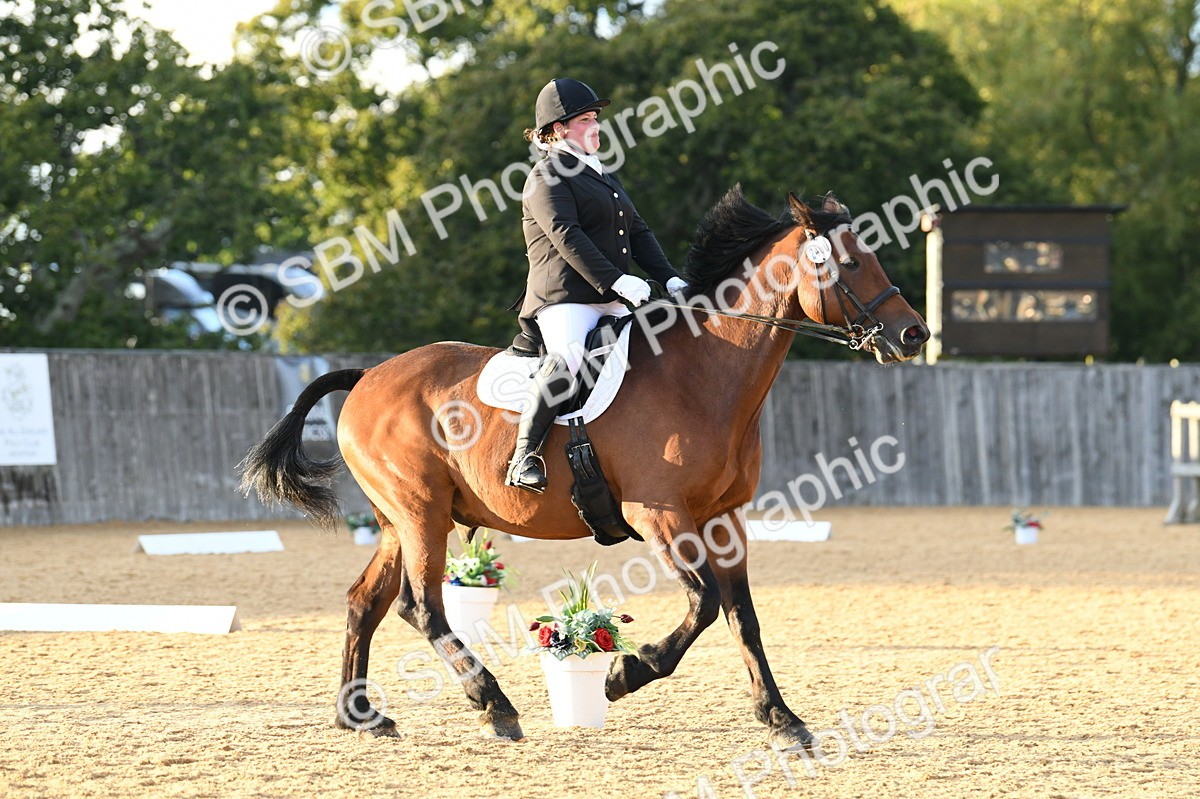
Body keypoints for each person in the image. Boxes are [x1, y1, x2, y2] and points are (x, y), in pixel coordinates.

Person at [505, 78, 687, 494]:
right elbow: (566, 235)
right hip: (565, 299)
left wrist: (669, 277)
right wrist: (618, 280)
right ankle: (524, 457)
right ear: (558, 129)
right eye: (586, 119)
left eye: (596, 118)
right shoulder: (544, 176)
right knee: (568, 361)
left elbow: (638, 231)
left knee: (650, 358)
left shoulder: (601, 174)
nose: (596, 126)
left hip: (611, 297)